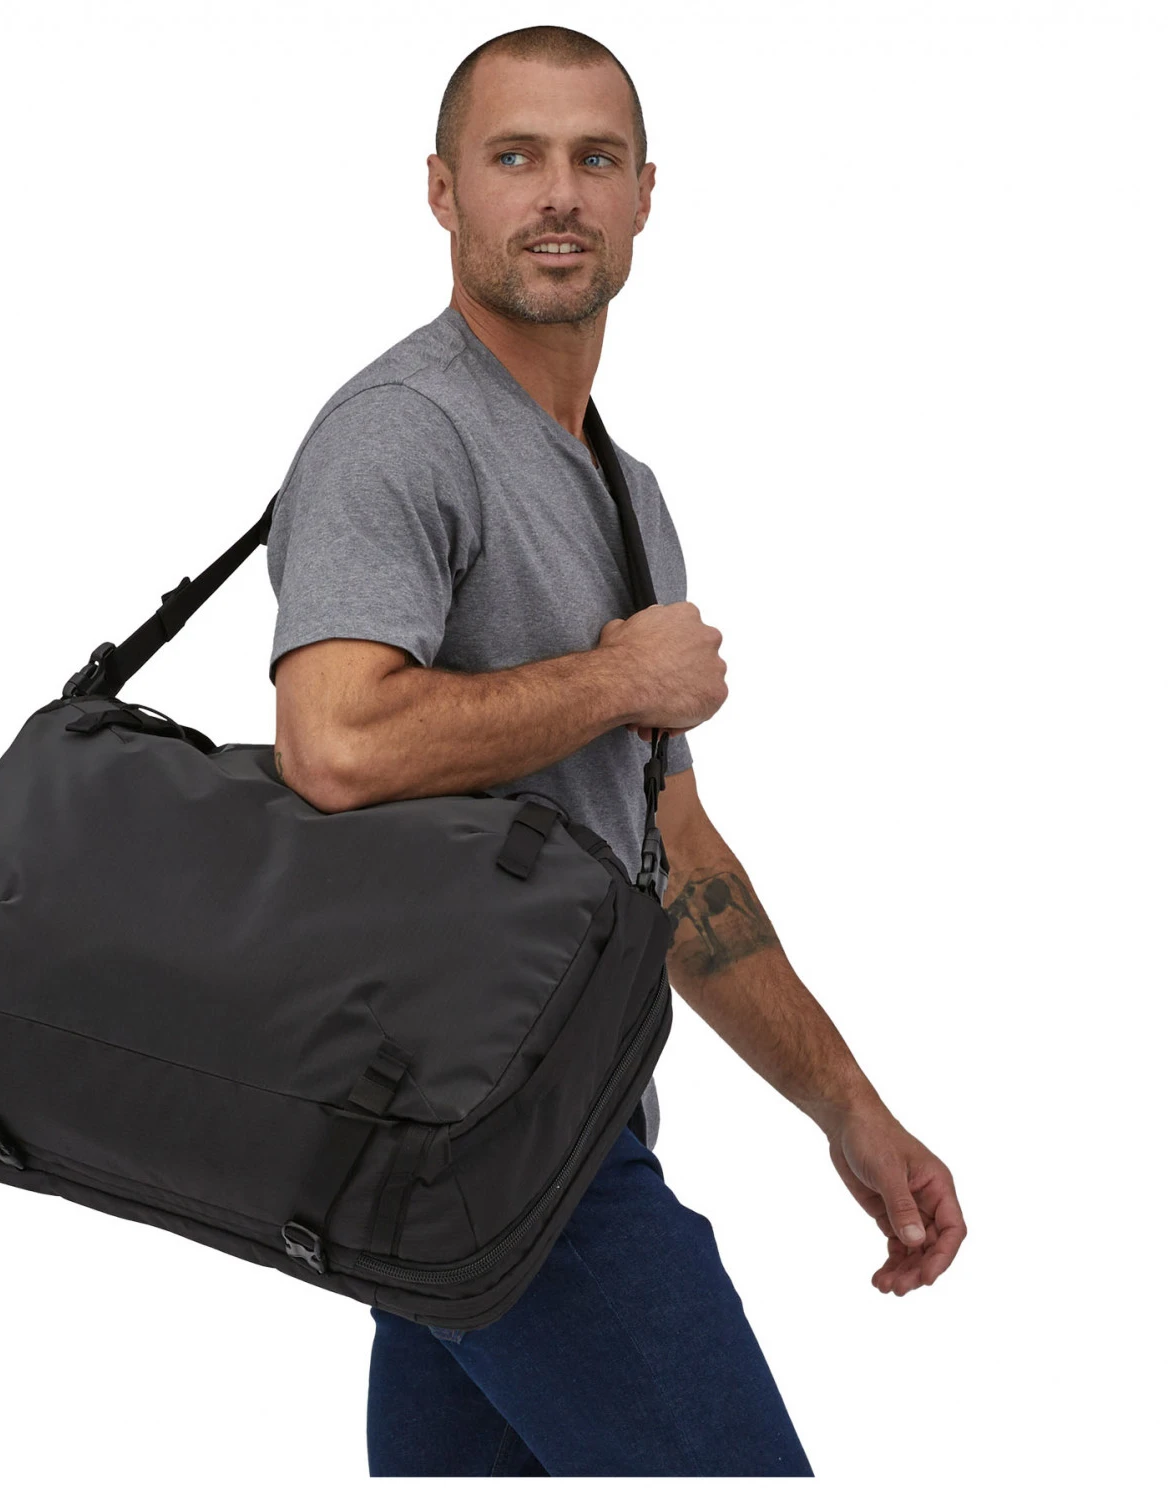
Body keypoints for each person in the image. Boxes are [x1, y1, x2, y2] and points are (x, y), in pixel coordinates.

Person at [265, 24, 966, 1479]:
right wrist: (616, 676)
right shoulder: (398, 434)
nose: (558, 195)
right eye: (514, 156)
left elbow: (673, 856)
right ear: (443, 189)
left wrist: (846, 1107)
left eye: (594, 159)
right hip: (492, 1140)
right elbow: (331, 742)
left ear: (647, 194)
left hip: (524, 1134)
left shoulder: (624, 490)